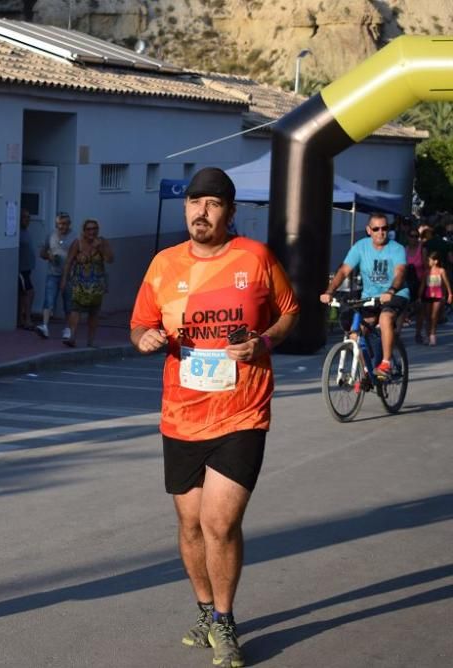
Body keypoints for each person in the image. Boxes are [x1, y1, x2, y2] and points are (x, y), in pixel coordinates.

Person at [130, 167, 299, 668]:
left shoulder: (256, 257)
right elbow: (140, 325)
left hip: (242, 409)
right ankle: (205, 609)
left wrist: (264, 341)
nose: (200, 212)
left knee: (219, 523)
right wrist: (146, 340)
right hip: (181, 414)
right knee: (189, 524)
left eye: (212, 204)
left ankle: (225, 620)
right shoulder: (163, 265)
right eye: (193, 203)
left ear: (230, 211)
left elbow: (289, 312)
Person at [321, 213, 409, 380]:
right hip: (370, 297)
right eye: (376, 229)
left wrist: (391, 291)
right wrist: (329, 291)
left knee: (385, 318)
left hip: (395, 294)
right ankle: (367, 372)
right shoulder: (360, 247)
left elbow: (400, 273)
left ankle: (386, 363)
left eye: (384, 228)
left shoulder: (397, 249)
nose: (380, 232)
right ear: (369, 230)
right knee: (356, 333)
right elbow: (344, 271)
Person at [60, 218, 113, 347]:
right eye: (89, 229)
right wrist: (64, 279)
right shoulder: (77, 243)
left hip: (96, 284)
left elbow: (109, 259)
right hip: (80, 283)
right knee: (75, 309)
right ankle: (72, 336)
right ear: (84, 231)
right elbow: (69, 262)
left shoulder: (102, 242)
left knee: (94, 312)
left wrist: (99, 247)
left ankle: (90, 341)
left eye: (94, 229)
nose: (92, 232)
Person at [35, 212, 75, 340]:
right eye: (59, 224)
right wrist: (49, 255)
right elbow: (42, 253)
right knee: (49, 300)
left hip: (69, 275)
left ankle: (68, 329)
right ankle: (45, 326)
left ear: (69, 224)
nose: (61, 227)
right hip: (53, 273)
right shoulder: (51, 235)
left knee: (68, 303)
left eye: (64, 224)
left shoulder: (74, 237)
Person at [420, 250, 452, 345]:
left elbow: (446, 283)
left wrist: (450, 294)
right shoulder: (426, 272)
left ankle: (433, 335)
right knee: (428, 316)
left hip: (438, 296)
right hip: (427, 296)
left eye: (429, 260)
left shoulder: (441, 271)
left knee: (434, 316)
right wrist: (419, 296)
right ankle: (427, 334)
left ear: (435, 261)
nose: (428, 262)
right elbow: (422, 285)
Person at [404, 225, 426, 343]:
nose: (414, 238)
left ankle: (418, 333)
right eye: (411, 236)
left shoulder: (422, 250)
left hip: (419, 282)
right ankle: (397, 334)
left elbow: (426, 268)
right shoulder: (405, 249)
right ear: (407, 237)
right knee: (402, 307)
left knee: (420, 309)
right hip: (407, 283)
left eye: (416, 236)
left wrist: (423, 285)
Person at [17, 208, 36, 330]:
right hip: (21, 270)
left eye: (29, 217)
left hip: (27, 269)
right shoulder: (18, 233)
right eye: (24, 217)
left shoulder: (26, 231)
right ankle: (27, 319)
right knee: (30, 292)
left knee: (23, 294)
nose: (27, 220)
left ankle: (21, 319)